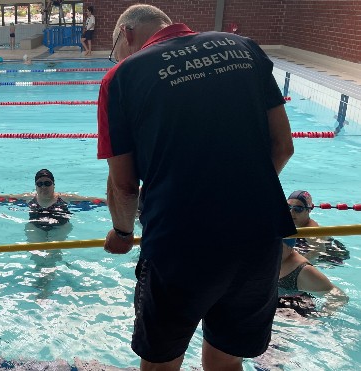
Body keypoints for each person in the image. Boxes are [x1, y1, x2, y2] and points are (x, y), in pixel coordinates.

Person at [97, 5, 295, 369]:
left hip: (180, 244)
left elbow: (124, 185)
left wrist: (123, 232)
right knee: (226, 362)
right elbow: (283, 146)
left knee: (161, 363)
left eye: (115, 51)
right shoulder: (244, 48)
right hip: (259, 238)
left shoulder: (122, 76)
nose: (117, 58)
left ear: (126, 34)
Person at [287, 190, 349, 264]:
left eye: (298, 209)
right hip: (308, 243)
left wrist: (294, 265)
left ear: (308, 210)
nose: (291, 212)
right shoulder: (294, 221)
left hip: (333, 254)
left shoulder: (310, 229)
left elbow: (319, 250)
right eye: (288, 207)